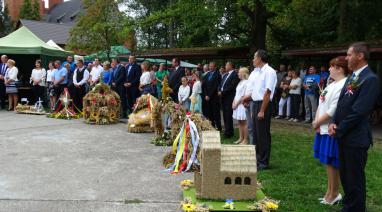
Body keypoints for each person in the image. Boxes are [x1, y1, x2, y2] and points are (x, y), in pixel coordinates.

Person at [329, 42, 380, 212]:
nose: (346, 58)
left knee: (354, 177)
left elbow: (359, 111)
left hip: (356, 138)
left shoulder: (370, 79)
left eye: (349, 54)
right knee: (346, 176)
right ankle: (349, 206)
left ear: (360, 56)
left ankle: (355, 208)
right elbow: (342, 103)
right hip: (344, 135)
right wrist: (333, 122)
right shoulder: (353, 77)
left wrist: (339, 128)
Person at [312, 56, 348, 205]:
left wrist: (318, 122)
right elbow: (322, 104)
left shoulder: (344, 85)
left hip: (332, 128)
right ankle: (330, 192)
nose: (328, 69)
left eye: (331, 67)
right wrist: (317, 122)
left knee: (333, 162)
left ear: (339, 68)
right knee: (328, 162)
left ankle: (334, 194)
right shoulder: (331, 84)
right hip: (323, 127)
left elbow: (334, 109)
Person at [242, 50, 277, 170]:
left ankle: (264, 161)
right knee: (256, 134)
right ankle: (257, 159)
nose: (253, 59)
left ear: (260, 58)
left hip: (264, 104)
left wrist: (262, 110)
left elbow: (268, 92)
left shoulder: (269, 72)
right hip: (255, 103)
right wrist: (247, 99)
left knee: (263, 134)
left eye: (254, 57)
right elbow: (254, 90)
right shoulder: (255, 72)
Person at [218, 62, 240, 138]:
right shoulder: (226, 75)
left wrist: (223, 92)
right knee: (225, 115)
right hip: (223, 97)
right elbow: (221, 84)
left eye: (226, 65)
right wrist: (219, 90)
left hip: (229, 98)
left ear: (230, 66)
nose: (225, 66)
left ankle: (229, 132)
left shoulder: (234, 74)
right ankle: (227, 130)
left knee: (228, 115)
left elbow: (232, 86)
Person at [202, 61, 222, 131]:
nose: (210, 68)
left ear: (215, 67)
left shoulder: (218, 75)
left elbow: (215, 86)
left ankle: (219, 128)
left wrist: (209, 95)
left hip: (214, 98)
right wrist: (206, 95)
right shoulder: (207, 75)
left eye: (212, 66)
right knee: (209, 113)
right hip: (207, 97)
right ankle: (212, 127)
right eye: (210, 66)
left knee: (216, 114)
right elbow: (203, 85)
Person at [232, 67, 249, 145]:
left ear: (243, 73)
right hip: (237, 104)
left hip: (241, 104)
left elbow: (243, 96)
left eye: (239, 72)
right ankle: (240, 138)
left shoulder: (246, 82)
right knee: (239, 122)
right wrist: (233, 102)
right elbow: (236, 94)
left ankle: (245, 140)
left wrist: (236, 104)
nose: (238, 74)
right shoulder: (240, 82)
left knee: (244, 122)